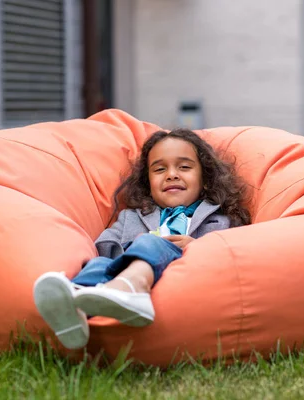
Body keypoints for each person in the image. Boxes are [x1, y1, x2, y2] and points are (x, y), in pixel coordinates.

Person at [33, 128, 251, 349]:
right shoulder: (131, 217)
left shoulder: (221, 220)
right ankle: (76, 304)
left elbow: (233, 255)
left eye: (184, 167)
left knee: (152, 242)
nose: (172, 174)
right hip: (128, 266)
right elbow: (104, 246)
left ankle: (130, 288)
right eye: (159, 169)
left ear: (205, 179)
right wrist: (133, 247)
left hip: (184, 278)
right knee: (98, 263)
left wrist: (196, 247)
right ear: (148, 183)